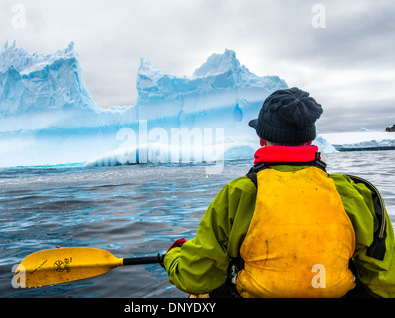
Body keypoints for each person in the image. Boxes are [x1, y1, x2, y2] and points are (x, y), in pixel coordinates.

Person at [162, 87, 395, 298]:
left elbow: (196, 277)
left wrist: (173, 257)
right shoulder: (355, 194)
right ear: (311, 138)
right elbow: (385, 280)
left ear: (262, 139)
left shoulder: (239, 194)